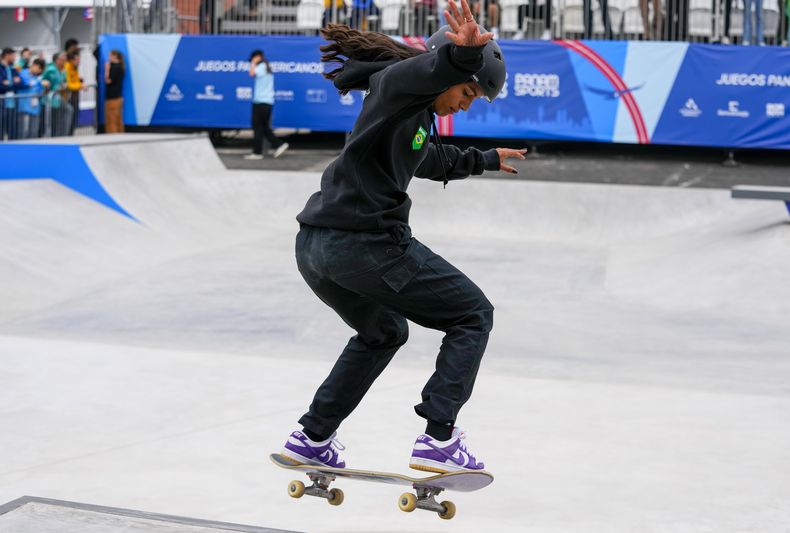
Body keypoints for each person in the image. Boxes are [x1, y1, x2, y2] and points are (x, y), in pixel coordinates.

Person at [280, 0, 527, 474]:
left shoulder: (408, 118)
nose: (464, 104)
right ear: (441, 74)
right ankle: (439, 440)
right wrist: (462, 58)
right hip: (364, 245)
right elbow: (427, 72)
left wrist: (486, 158)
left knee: (383, 332)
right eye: (467, 93)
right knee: (473, 314)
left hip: (316, 250)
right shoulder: (399, 87)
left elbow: (429, 159)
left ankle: (312, 437)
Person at [245, 50, 288, 160]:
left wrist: (254, 63)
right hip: (266, 102)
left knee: (258, 127)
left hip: (261, 102)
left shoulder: (262, 66)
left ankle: (258, 152)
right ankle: (277, 145)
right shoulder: (266, 66)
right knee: (263, 128)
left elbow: (251, 73)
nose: (252, 61)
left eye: (253, 58)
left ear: (258, 57)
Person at [16, 58, 48, 139]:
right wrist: (40, 83)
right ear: (35, 65)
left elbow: (41, 92)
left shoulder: (37, 78)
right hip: (24, 109)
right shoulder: (22, 73)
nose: (40, 72)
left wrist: (46, 87)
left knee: (33, 133)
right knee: (22, 133)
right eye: (40, 69)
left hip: (35, 110)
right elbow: (26, 84)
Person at [42, 52, 70, 137]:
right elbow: (43, 81)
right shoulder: (51, 69)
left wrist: (64, 85)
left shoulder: (62, 70)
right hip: (51, 98)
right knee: (68, 110)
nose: (64, 61)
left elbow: (63, 81)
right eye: (63, 59)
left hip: (59, 97)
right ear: (57, 60)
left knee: (59, 117)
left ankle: (61, 135)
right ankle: (60, 135)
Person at [1, 47, 23, 140]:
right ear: (7, 55)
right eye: (13, 56)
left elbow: (20, 83)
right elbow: (1, 86)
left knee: (13, 129)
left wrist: (9, 83)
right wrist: (13, 83)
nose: (14, 58)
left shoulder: (13, 69)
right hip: (2, 103)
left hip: (12, 103)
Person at [104, 49, 125, 133]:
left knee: (111, 120)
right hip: (118, 97)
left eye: (110, 56)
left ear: (115, 56)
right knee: (118, 119)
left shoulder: (114, 67)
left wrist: (107, 69)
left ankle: (112, 137)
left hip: (112, 97)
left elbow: (108, 80)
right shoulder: (121, 67)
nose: (109, 58)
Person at [64, 50, 83, 135]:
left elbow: (76, 81)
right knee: (68, 118)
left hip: (75, 96)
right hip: (68, 96)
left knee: (74, 117)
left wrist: (79, 84)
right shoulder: (67, 67)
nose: (79, 62)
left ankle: (71, 134)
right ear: (72, 60)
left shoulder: (75, 68)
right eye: (77, 60)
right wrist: (79, 86)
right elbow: (69, 84)